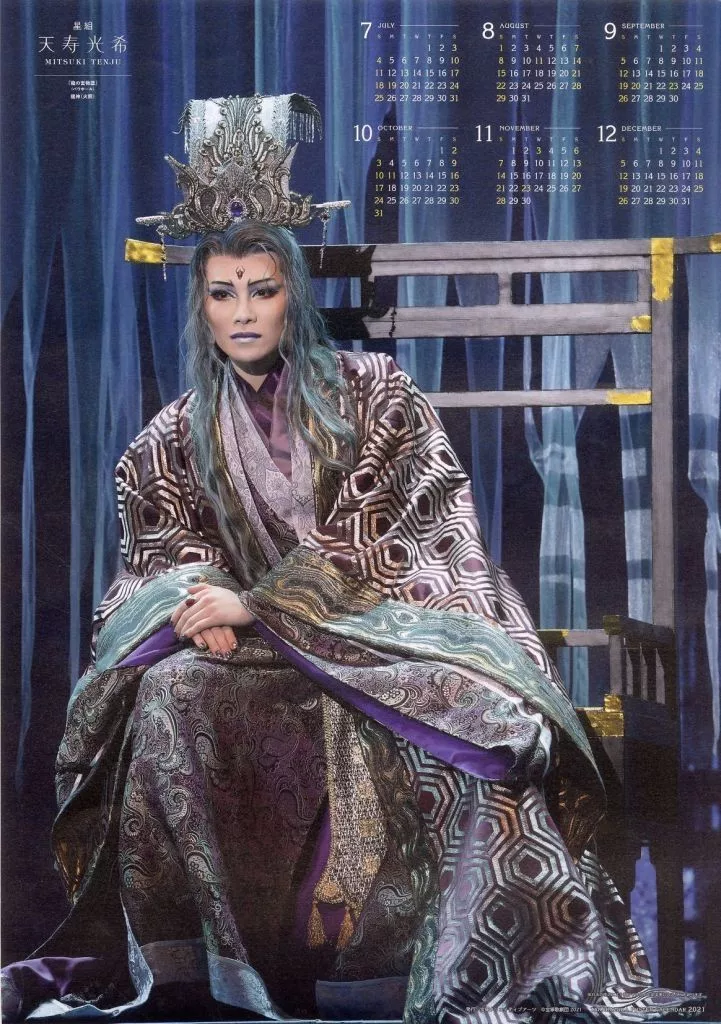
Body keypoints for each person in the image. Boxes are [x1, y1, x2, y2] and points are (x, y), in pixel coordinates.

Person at [2, 95, 701, 1024]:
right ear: (201, 305)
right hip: (257, 657)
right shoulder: (174, 434)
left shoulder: (378, 394)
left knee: (486, 734)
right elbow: (161, 550)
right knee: (167, 696)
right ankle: (211, 974)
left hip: (389, 636)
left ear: (290, 294)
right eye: (222, 292)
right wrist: (196, 606)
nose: (243, 311)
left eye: (261, 289)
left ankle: (479, 968)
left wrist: (260, 603)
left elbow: (408, 530)